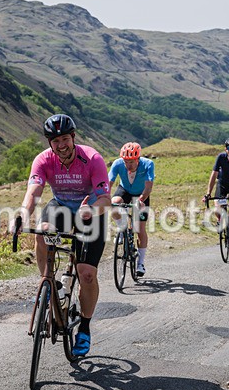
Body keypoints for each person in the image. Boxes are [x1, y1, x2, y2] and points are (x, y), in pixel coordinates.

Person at [12, 114, 112, 357]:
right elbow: (34, 192)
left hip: (90, 210)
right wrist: (23, 213)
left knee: (86, 274)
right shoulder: (43, 160)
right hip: (61, 207)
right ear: (50, 143)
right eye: (55, 141)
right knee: (42, 230)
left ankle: (84, 328)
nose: (61, 145)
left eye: (65, 139)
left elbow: (105, 199)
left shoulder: (92, 158)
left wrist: (91, 210)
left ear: (73, 138)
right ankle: (48, 283)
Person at [108, 142, 155, 277]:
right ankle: (122, 229)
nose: (128, 165)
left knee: (139, 229)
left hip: (141, 194)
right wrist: (103, 197)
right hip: (125, 190)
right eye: (126, 162)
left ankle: (140, 263)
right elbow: (108, 183)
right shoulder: (117, 163)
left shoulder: (148, 164)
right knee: (114, 204)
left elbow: (148, 186)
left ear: (138, 159)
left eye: (132, 162)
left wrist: (141, 200)